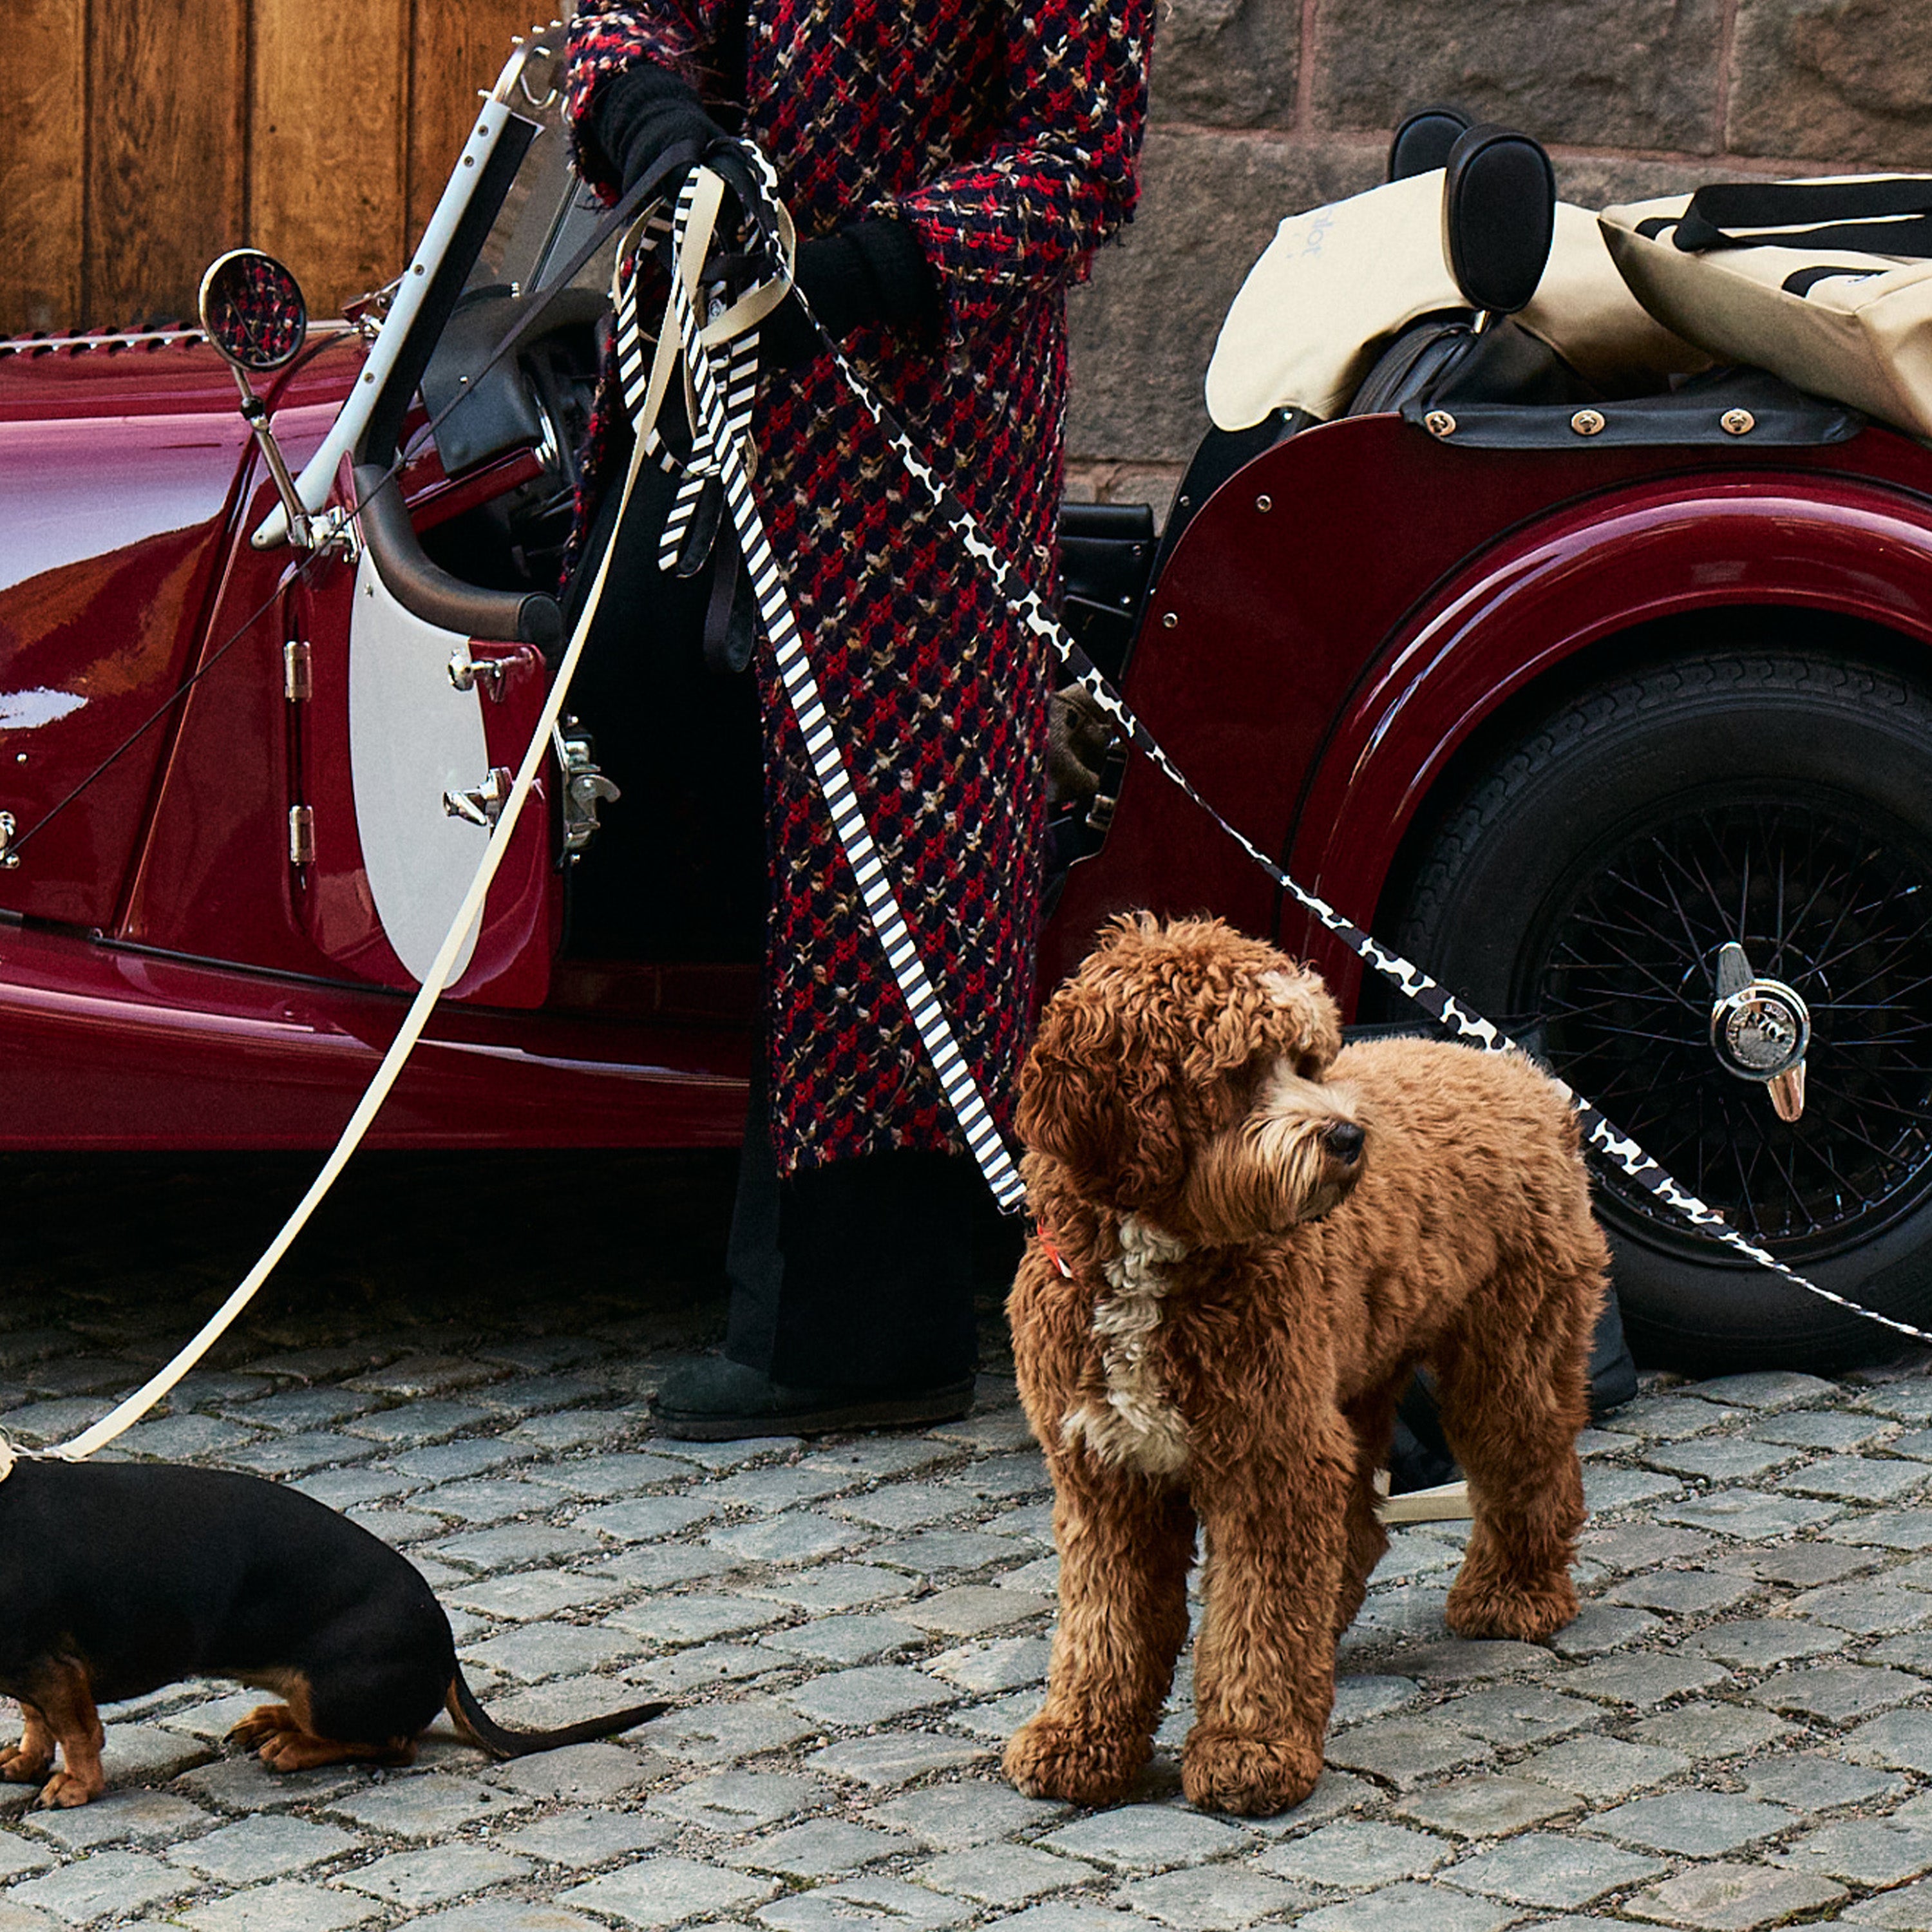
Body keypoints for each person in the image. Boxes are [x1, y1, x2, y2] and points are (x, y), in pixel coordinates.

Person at [562, 0, 1154, 1439]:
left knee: (893, 845)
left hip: (922, 419)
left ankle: (857, 1328)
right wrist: (653, 116)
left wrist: (855, 267)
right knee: (657, 730)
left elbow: (1080, 157)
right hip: (704, 393)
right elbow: (628, 17)